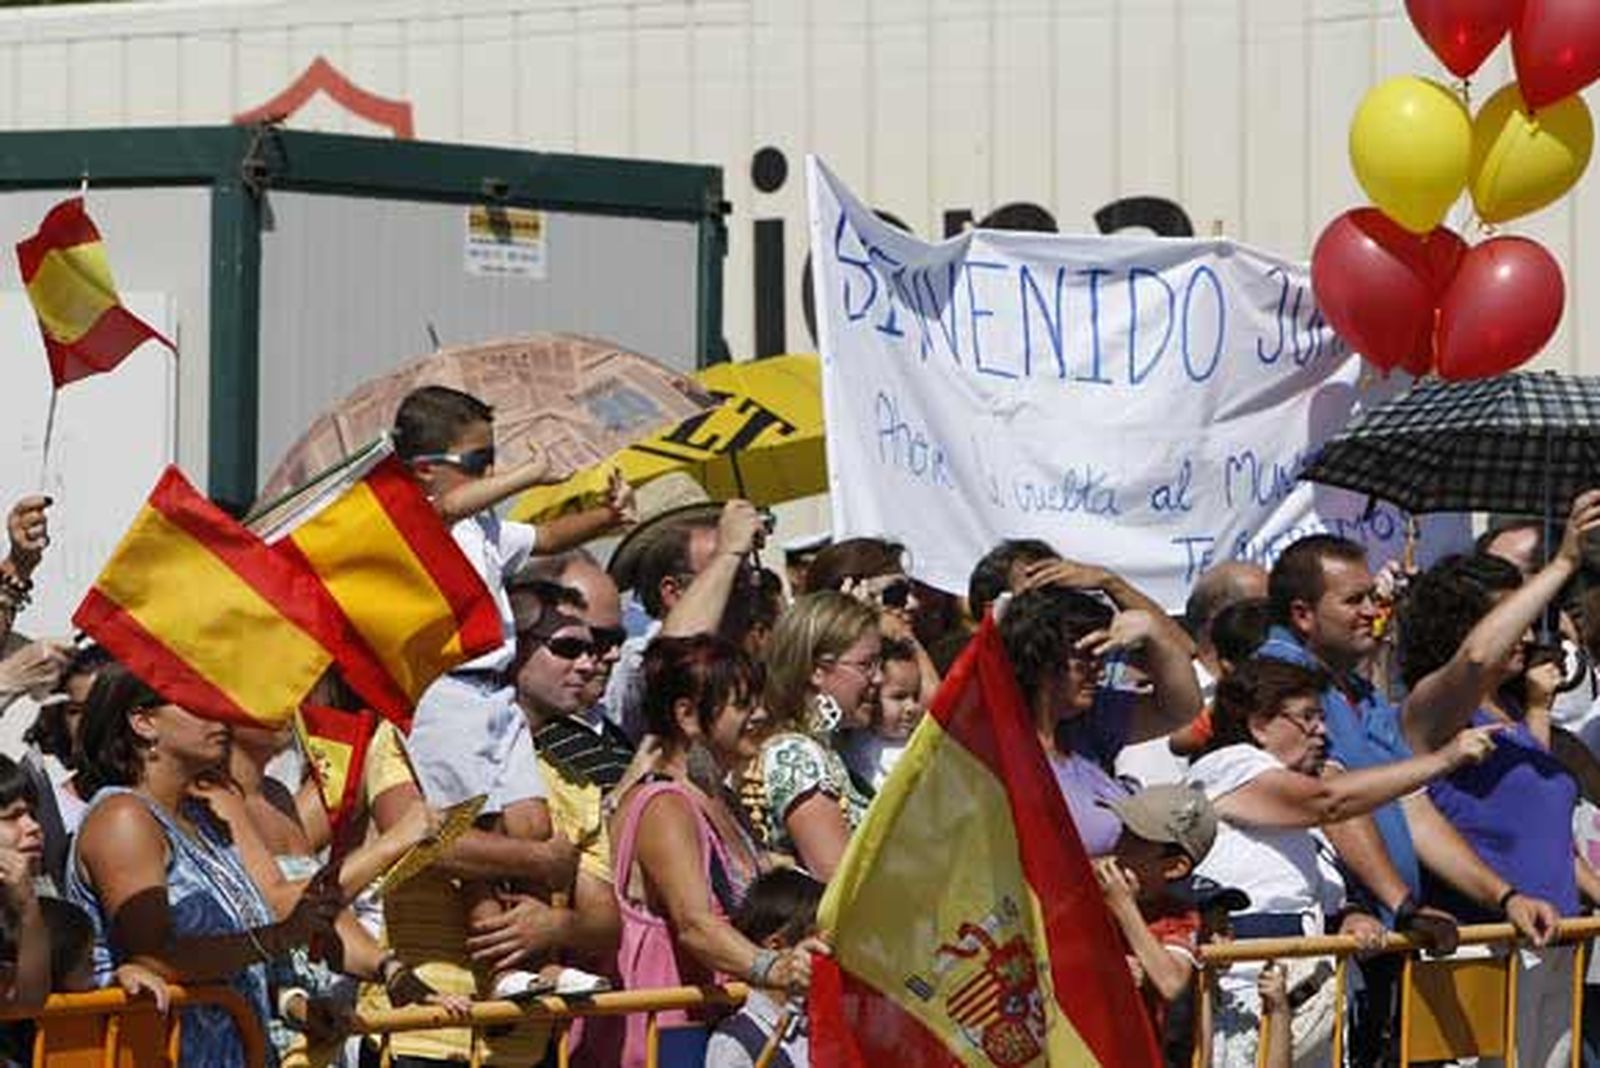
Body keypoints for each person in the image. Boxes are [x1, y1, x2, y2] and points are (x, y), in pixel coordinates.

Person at [1258, 533, 1562, 1066]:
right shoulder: (1276, 682)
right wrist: (1405, 905)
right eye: (1354, 600)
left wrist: (1506, 896)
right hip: (1317, 956)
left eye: (1372, 596)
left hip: (1385, 951)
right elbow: (1327, 803)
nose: (1373, 610)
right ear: (1303, 614)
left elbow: (1415, 810)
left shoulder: (1360, 691)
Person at [393, 383, 633, 1000]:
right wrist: (532, 470)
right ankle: (500, 969)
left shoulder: (483, 526)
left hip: (493, 692)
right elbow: (445, 510)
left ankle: (534, 956)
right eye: (479, 462)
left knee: (529, 822)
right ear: (427, 472)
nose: (493, 473)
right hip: (445, 691)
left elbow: (546, 539)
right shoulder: (419, 521)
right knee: (469, 828)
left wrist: (606, 516)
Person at [1186, 659, 1500, 1068]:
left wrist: (1351, 916)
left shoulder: (1297, 813)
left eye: (1322, 716)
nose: (1322, 730)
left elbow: (1314, 884)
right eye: (1307, 718)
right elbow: (1329, 802)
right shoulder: (1228, 767)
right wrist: (1444, 760)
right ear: (1259, 725)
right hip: (1247, 1002)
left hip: (1313, 1003)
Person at [66, 665, 342, 1068]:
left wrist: (293, 1004)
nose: (221, 713)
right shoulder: (123, 817)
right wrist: (278, 937)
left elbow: (233, 966)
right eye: (198, 701)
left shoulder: (203, 822)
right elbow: (152, 958)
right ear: (143, 722)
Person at [1400, 516, 1600, 1068]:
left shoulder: (1511, 714)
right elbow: (1475, 659)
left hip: (1555, 940)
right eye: (1507, 616)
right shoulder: (1431, 708)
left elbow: (1543, 828)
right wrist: (1562, 564)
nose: (1527, 629)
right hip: (1481, 943)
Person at [610, 636, 815, 1068]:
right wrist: (773, 969)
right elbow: (695, 925)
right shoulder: (664, 806)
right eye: (742, 704)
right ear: (686, 714)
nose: (761, 715)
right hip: (666, 1044)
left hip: (721, 1038)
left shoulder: (725, 799)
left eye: (759, 700)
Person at [997, 584, 1201, 857]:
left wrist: (1155, 634)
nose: (1099, 667)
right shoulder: (1000, 753)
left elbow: (1181, 709)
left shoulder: (1085, 723)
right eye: (1085, 656)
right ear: (1041, 657)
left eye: (1102, 654)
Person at [607, 491, 768, 741]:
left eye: (746, 573)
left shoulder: (750, 659)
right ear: (673, 592)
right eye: (729, 576)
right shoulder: (636, 661)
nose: (747, 587)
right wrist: (728, 554)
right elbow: (673, 658)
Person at [746, 592, 879, 878]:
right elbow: (838, 882)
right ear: (817, 670)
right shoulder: (796, 754)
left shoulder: (824, 749)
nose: (877, 678)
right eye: (866, 665)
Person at [1091, 784, 1217, 1034]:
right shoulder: (1083, 884)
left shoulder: (1178, 917)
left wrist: (1123, 905)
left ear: (1175, 867)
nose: (1118, 846)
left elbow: (1170, 983)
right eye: (1123, 832)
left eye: (1136, 841)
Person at [705, 868, 824, 1068]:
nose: (827, 953)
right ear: (776, 946)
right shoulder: (738, 1040)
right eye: (815, 942)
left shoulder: (823, 1025)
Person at [839, 637, 923, 793]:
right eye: (899, 697)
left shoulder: (919, 747)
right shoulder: (846, 737)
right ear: (872, 696)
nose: (912, 707)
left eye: (916, 696)